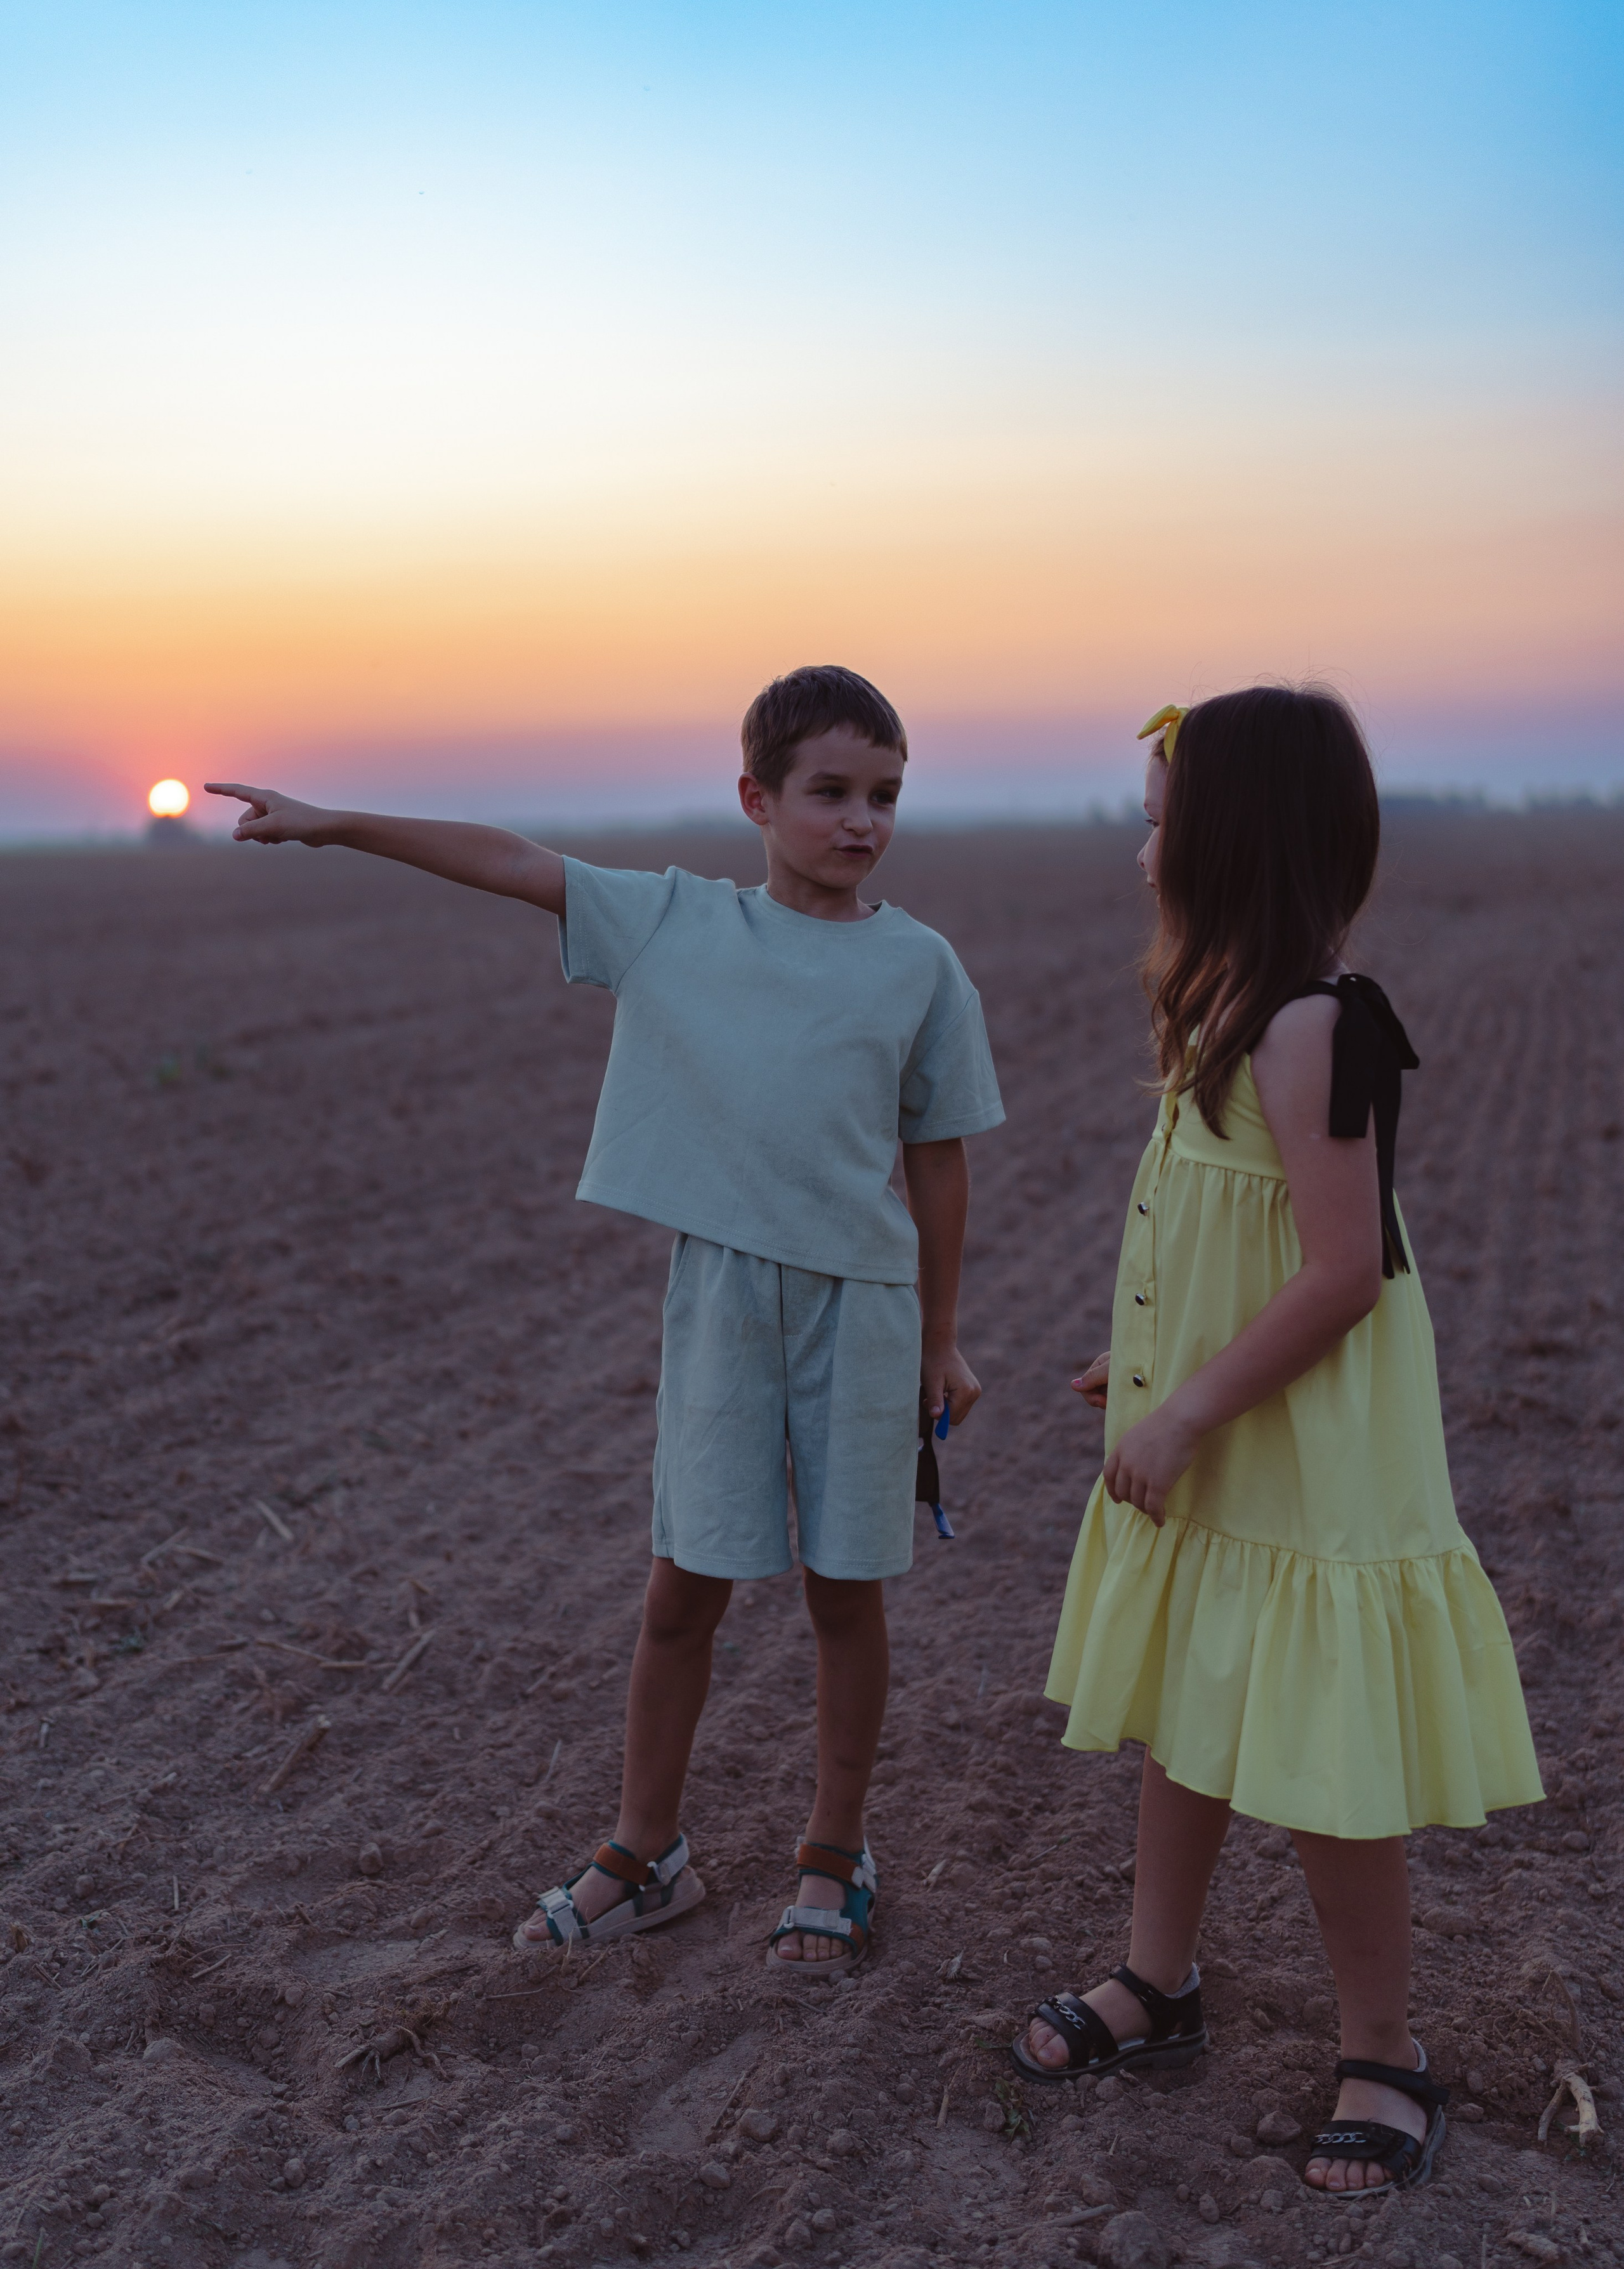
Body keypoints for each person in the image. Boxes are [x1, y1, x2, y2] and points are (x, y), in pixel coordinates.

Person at [207, 664, 1004, 1979]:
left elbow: (938, 1163)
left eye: (883, 796)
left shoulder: (920, 967)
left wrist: (941, 1336)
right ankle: (646, 1853)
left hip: (861, 1312)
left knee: (842, 1593)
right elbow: (514, 861)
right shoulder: (675, 922)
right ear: (755, 797)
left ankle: (832, 1851)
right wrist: (336, 821)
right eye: (828, 793)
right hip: (723, 1299)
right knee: (681, 1586)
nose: (859, 821)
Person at [1011, 688, 1540, 2200]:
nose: (1141, 843)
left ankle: (1383, 2049)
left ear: (1228, 838)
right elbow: (1222, 1235)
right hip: (1226, 1429)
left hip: (1299, 1455)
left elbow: (1337, 1271)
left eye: (1160, 816)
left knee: (1317, 1762)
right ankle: (1155, 1980)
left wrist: (1183, 1409)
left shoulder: (1317, 1028)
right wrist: (1149, 1355)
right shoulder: (1224, 1011)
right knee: (1187, 1703)